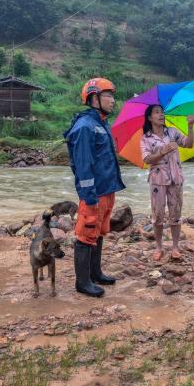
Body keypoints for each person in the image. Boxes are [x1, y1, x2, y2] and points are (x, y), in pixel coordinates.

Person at [64, 77, 126, 298]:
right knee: (86, 233)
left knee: (99, 231)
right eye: (108, 95)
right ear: (94, 98)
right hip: (94, 193)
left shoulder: (101, 123)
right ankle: (83, 282)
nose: (112, 100)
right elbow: (83, 166)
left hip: (107, 189)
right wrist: (89, 197)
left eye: (112, 95)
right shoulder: (85, 127)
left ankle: (95, 273)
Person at [140, 105, 194, 260]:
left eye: (162, 112)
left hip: (175, 177)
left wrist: (190, 126)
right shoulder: (146, 138)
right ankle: (158, 247)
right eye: (157, 112)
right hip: (157, 180)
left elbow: (189, 144)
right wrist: (163, 151)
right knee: (157, 215)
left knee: (176, 213)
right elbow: (146, 159)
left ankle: (175, 247)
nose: (161, 114)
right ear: (150, 118)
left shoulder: (172, 132)